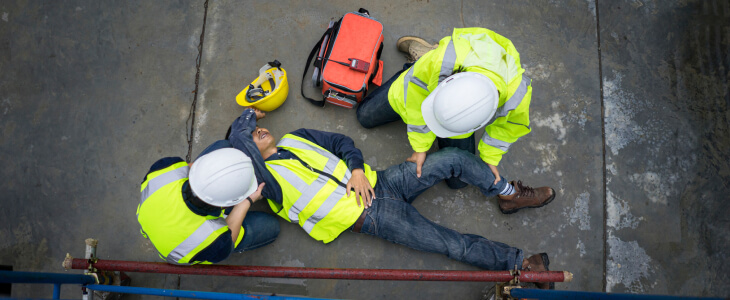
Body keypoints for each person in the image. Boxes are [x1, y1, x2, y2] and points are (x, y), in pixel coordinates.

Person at [226, 108, 554, 289]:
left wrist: (355, 170)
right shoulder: (266, 185)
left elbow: (341, 142)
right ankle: (521, 263)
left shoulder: (295, 139)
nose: (259, 131)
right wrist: (244, 123)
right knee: (450, 244)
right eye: (253, 136)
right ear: (249, 155)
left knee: (452, 157)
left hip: (383, 181)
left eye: (256, 129)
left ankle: (508, 194)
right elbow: (246, 154)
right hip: (374, 218)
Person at [357, 27, 554, 214]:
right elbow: (415, 97)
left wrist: (490, 158)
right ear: (450, 81)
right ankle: (421, 58)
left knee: (458, 182)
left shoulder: (517, 92)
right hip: (422, 78)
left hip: (455, 100)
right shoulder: (443, 61)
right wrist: (420, 147)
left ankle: (509, 192)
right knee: (365, 116)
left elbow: (509, 127)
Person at [136, 140, 280, 265]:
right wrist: (246, 202)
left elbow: (191, 168)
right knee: (271, 227)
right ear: (227, 204)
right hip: (180, 250)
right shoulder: (213, 240)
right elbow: (229, 241)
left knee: (224, 146)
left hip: (153, 219)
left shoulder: (165, 168)